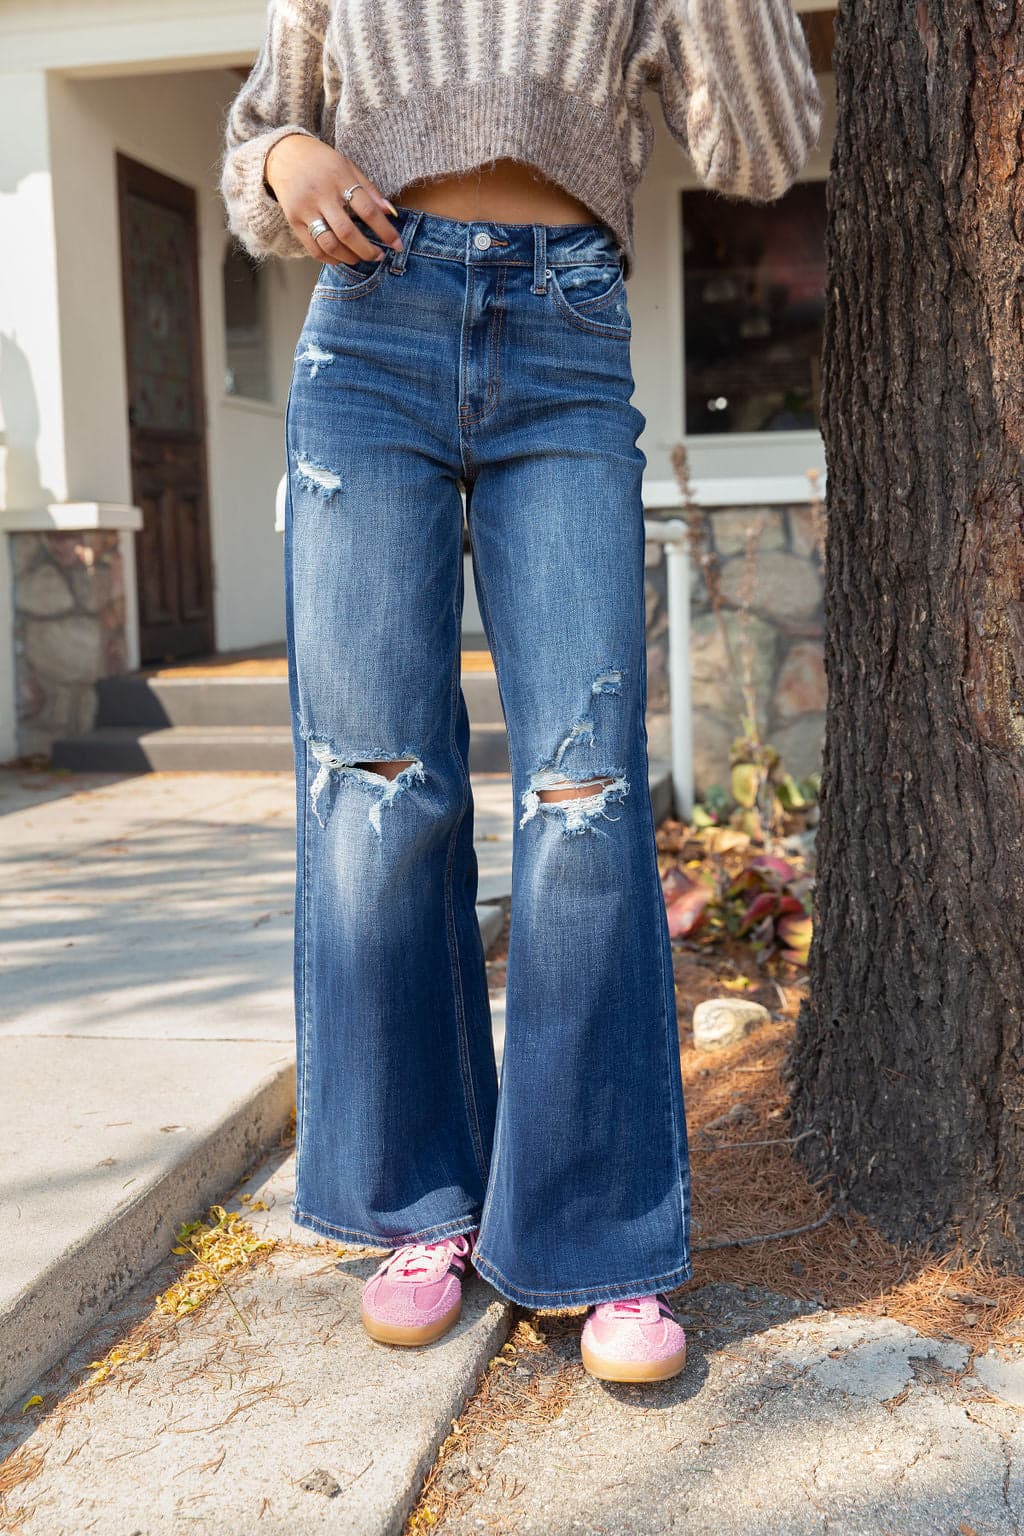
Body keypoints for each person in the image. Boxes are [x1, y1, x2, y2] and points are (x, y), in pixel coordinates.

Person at [220, 0, 822, 1386]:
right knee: (375, 787)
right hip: (368, 335)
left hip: (566, 329)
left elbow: (763, 149)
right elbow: (261, 138)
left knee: (584, 793)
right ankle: (422, 1205)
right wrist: (286, 162)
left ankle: (599, 1236)